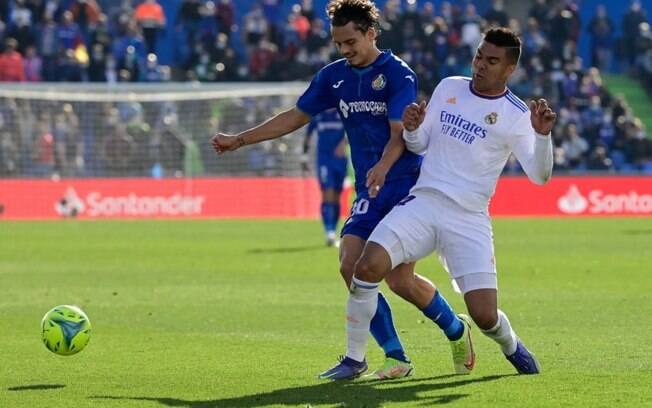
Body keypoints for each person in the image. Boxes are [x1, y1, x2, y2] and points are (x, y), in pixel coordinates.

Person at [212, 0, 474, 381]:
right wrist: (240, 139)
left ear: (370, 33)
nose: (344, 50)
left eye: (350, 41)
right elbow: (295, 117)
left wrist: (383, 167)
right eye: (338, 44)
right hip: (371, 187)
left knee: (400, 280)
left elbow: (401, 132)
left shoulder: (397, 74)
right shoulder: (334, 77)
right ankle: (393, 355)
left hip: (406, 187)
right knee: (350, 265)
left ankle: (455, 329)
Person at [343, 27, 556, 375]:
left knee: (485, 316)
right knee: (366, 267)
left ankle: (510, 344)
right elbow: (418, 144)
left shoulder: (516, 113)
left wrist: (543, 136)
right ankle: (356, 360)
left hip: (468, 217)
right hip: (424, 202)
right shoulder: (449, 87)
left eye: (491, 61)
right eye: (478, 56)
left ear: (509, 69)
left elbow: (539, 175)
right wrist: (412, 128)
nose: (481, 65)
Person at [302, 108, 349, 247]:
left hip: (340, 160)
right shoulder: (318, 114)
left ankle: (333, 231)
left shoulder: (343, 112)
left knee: (336, 195)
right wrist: (304, 158)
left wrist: (344, 143)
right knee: (327, 193)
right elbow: (308, 136)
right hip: (324, 160)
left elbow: (354, 129)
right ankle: (329, 232)